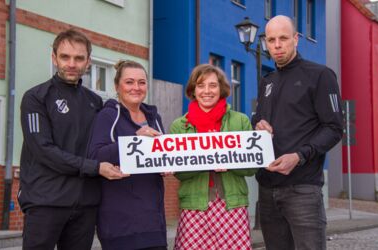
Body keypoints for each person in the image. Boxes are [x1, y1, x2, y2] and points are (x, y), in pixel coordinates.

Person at [19, 29, 124, 250]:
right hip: (45, 202)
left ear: (88, 62)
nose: (71, 64)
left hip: (85, 205)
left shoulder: (95, 102)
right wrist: (95, 167)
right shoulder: (36, 98)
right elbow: (42, 150)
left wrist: (144, 141)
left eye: (79, 58)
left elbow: (110, 142)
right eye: (65, 57)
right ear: (54, 58)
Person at [252, 15, 343, 250]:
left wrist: (299, 156)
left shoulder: (321, 75)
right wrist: (258, 125)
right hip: (267, 188)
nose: (277, 45)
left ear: (296, 38)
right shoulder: (267, 81)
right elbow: (258, 120)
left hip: (302, 189)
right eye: (271, 40)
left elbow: (334, 128)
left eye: (283, 38)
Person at [170, 64, 256, 250]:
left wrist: (231, 163)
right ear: (193, 90)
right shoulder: (180, 126)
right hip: (195, 206)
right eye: (201, 85)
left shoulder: (240, 121)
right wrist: (204, 161)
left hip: (231, 205)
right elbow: (178, 173)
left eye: (213, 85)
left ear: (222, 89)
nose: (206, 91)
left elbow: (252, 167)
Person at [88, 60, 167, 250]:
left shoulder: (154, 118)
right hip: (120, 225)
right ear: (117, 86)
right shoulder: (107, 116)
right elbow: (95, 157)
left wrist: (166, 164)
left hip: (153, 222)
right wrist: (135, 139)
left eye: (141, 82)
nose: (136, 88)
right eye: (129, 82)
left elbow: (158, 157)